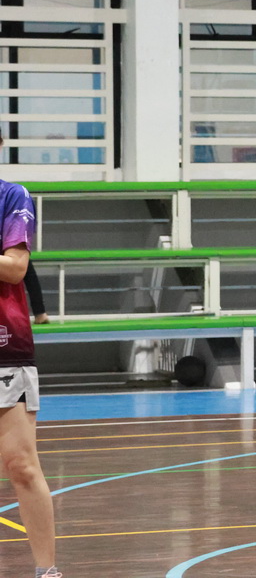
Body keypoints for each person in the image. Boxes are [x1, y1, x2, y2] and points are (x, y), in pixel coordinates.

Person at [0, 141, 63, 578]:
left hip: (7, 347)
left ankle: (47, 571)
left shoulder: (12, 196)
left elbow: (15, 267)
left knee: (21, 465)